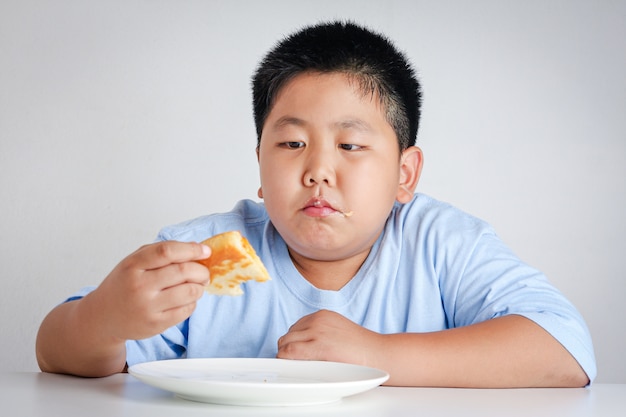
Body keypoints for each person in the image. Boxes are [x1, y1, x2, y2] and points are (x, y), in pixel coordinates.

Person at [36, 21, 596, 387]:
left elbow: (566, 354)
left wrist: (381, 355)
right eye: (291, 144)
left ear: (405, 174)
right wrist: (103, 318)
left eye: (350, 146)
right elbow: (54, 352)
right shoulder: (200, 254)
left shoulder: (442, 245)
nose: (317, 171)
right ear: (260, 164)